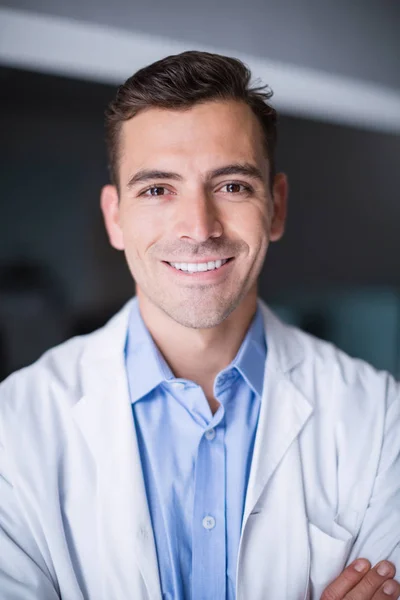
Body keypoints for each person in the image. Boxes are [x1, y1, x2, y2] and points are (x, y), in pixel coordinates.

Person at [0, 51, 399, 600]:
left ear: (276, 207)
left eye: (232, 185)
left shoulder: (379, 420)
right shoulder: (13, 429)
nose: (199, 227)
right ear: (115, 217)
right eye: (157, 189)